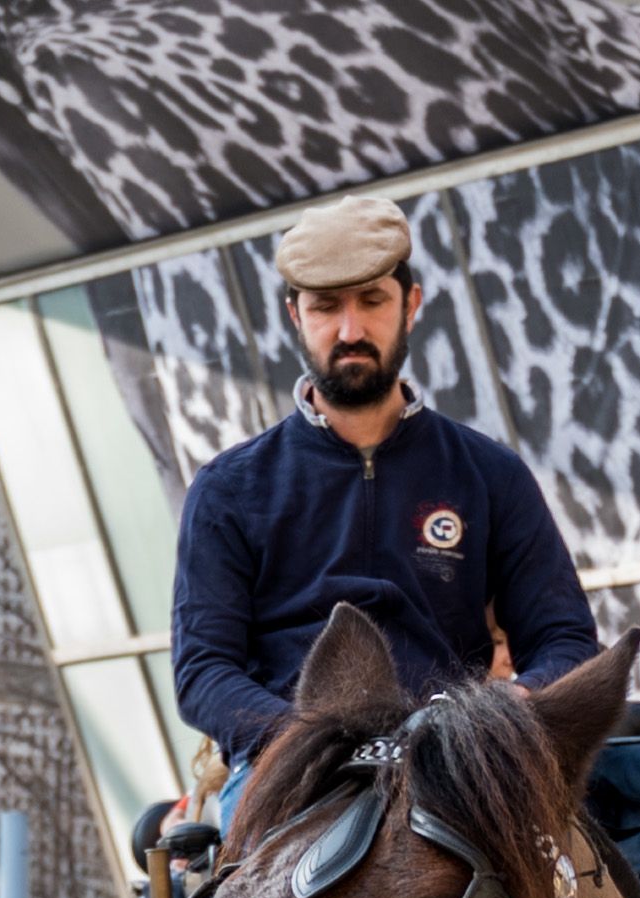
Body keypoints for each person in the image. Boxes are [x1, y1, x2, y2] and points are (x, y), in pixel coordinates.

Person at [168, 195, 602, 766]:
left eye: (372, 300)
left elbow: (565, 639)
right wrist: (298, 740)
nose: (350, 329)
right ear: (296, 315)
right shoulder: (229, 489)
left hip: (452, 761)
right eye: (326, 307)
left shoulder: (491, 474)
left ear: (411, 305)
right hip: (292, 765)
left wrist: (513, 705)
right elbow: (203, 670)